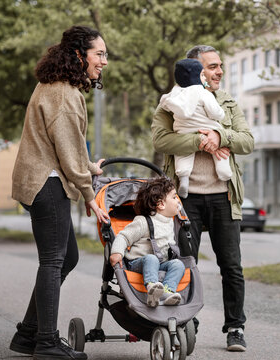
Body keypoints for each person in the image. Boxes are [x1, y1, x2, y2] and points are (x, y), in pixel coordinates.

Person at [9, 25, 110, 360]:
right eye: (99, 54)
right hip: (46, 181)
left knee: (67, 257)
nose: (104, 62)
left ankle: (28, 334)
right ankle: (47, 342)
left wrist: (89, 169)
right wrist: (89, 194)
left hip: (45, 177)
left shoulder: (55, 86)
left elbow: (68, 146)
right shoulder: (66, 95)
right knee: (53, 260)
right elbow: (67, 152)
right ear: (79, 55)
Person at [151, 45, 254, 352]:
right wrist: (199, 139)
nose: (219, 71)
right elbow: (160, 139)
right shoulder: (171, 101)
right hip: (185, 199)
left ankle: (235, 327)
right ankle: (186, 321)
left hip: (224, 196)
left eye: (220, 65)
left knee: (232, 267)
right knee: (183, 263)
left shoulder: (226, 101)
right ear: (195, 70)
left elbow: (247, 140)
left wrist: (220, 136)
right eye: (212, 66)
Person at [159, 58, 231, 198]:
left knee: (183, 153)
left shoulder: (175, 93)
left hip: (183, 130)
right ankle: (224, 173)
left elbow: (164, 103)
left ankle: (184, 178)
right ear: (197, 75)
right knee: (219, 152)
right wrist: (221, 115)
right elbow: (215, 112)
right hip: (207, 129)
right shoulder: (203, 92)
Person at [109, 177, 185, 307]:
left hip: (160, 263)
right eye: (174, 197)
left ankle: (167, 291)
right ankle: (152, 287)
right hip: (138, 263)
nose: (178, 200)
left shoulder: (170, 222)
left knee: (178, 264)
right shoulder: (143, 222)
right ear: (161, 204)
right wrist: (117, 252)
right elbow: (123, 237)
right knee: (151, 258)